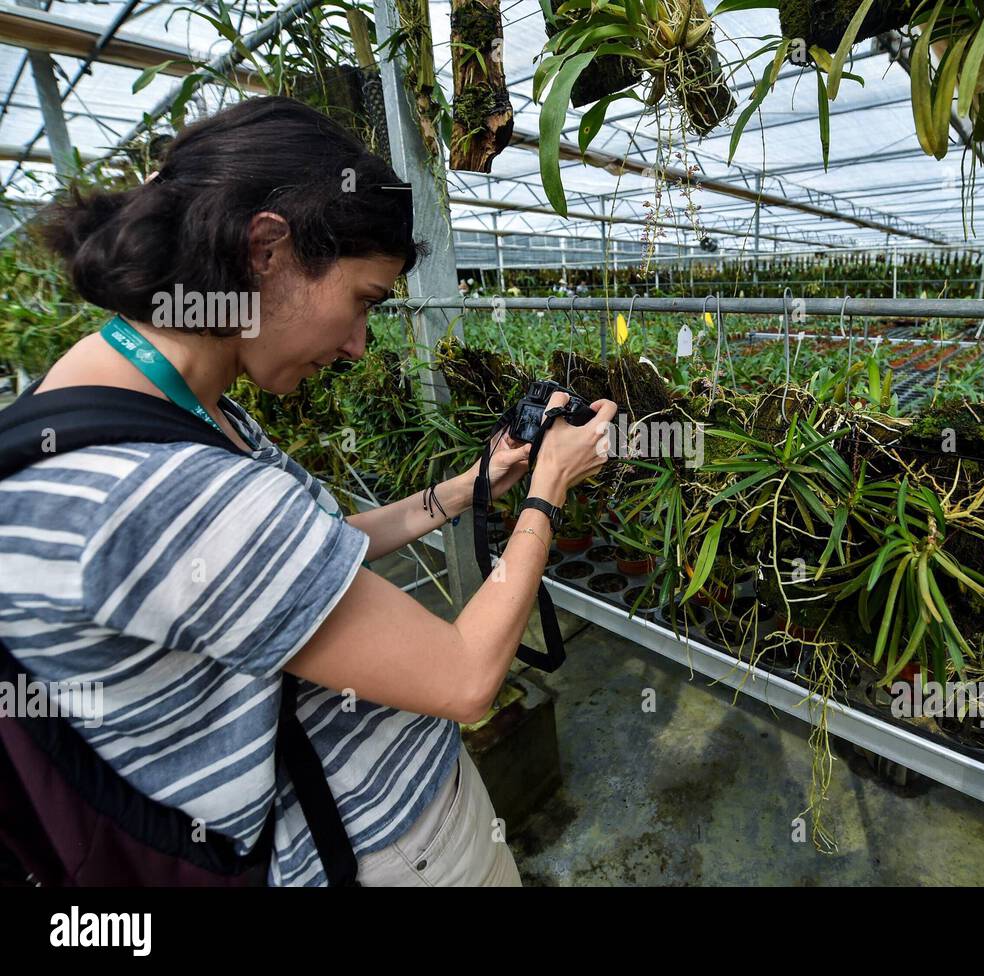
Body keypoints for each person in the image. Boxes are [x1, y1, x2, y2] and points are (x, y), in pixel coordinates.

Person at [0, 96, 615, 886]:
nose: (359, 346)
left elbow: (311, 557)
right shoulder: (173, 490)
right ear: (267, 249)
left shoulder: (142, 403)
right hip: (378, 853)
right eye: (362, 301)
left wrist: (470, 488)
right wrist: (547, 491)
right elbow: (463, 678)